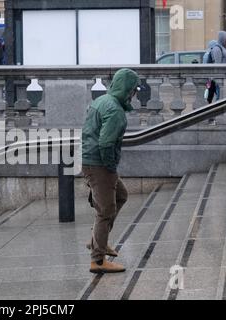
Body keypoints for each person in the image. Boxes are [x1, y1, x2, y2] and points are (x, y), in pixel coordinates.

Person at [81, 68, 140, 274]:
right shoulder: (115, 110)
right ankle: (98, 260)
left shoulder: (102, 100)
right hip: (100, 165)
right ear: (128, 90)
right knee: (105, 211)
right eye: (133, 91)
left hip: (90, 161)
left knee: (121, 195)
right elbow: (106, 142)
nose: (134, 95)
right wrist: (110, 167)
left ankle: (98, 241)